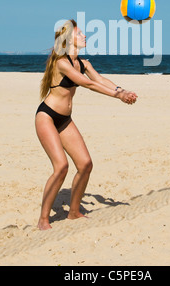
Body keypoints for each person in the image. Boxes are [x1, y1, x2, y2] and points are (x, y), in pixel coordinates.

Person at [35, 19, 137, 230]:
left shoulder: (83, 63)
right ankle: (43, 219)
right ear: (68, 38)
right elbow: (88, 84)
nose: (84, 36)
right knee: (61, 166)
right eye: (80, 33)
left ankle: (73, 212)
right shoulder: (61, 62)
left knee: (85, 164)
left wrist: (123, 90)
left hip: (64, 120)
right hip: (47, 117)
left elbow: (100, 80)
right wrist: (118, 96)